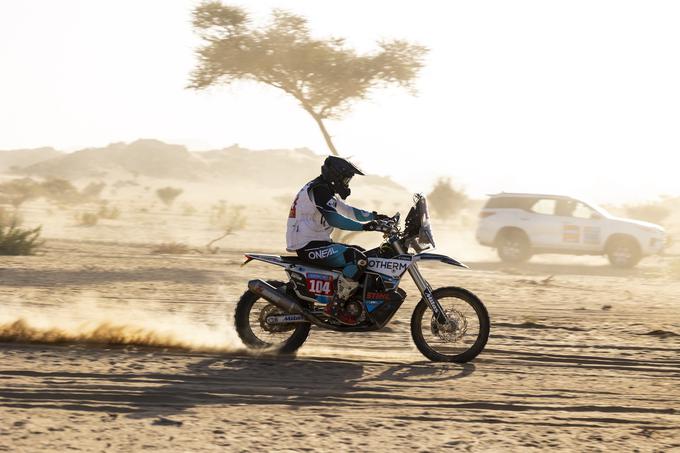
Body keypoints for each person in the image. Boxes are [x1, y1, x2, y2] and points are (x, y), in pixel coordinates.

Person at [286, 156, 389, 324]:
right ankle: (335, 307)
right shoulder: (318, 190)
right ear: (335, 176)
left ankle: (350, 301)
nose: (347, 183)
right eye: (346, 178)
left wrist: (376, 217)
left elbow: (348, 211)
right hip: (308, 245)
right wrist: (365, 227)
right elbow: (335, 220)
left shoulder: (324, 190)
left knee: (361, 253)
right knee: (357, 259)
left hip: (316, 242)